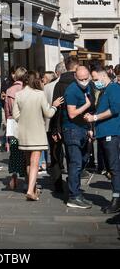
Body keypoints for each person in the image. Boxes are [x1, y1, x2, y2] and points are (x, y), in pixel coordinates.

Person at [13, 71, 63, 200]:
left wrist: (25, 118)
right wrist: (55, 106)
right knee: (35, 162)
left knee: (29, 162)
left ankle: (33, 188)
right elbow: (48, 114)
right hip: (37, 132)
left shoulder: (19, 95)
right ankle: (30, 190)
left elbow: (16, 115)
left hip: (23, 133)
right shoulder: (40, 94)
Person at [84, 68, 120, 214]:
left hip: (111, 133)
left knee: (114, 167)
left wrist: (95, 118)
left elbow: (115, 109)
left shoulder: (113, 88)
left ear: (103, 75)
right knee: (111, 168)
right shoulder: (106, 90)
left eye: (94, 78)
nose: (94, 82)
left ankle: (117, 199)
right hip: (104, 133)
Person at [63, 66, 95, 209]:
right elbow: (72, 113)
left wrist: (89, 128)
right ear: (75, 77)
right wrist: (87, 104)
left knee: (83, 160)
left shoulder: (88, 87)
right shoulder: (72, 90)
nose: (84, 81)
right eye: (81, 79)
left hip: (82, 128)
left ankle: (74, 187)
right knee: (76, 163)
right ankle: (73, 196)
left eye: (86, 78)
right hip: (72, 130)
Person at [48, 56, 79, 193]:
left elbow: (55, 108)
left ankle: (58, 184)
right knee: (73, 156)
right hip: (74, 125)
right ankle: (73, 183)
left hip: (55, 125)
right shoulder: (78, 84)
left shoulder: (54, 86)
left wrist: (55, 129)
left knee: (55, 154)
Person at [4, 67, 27, 189]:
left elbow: (7, 110)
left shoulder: (9, 91)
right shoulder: (27, 89)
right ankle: (27, 178)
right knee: (26, 150)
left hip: (13, 124)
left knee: (14, 148)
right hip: (26, 123)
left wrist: (9, 122)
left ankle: (14, 174)